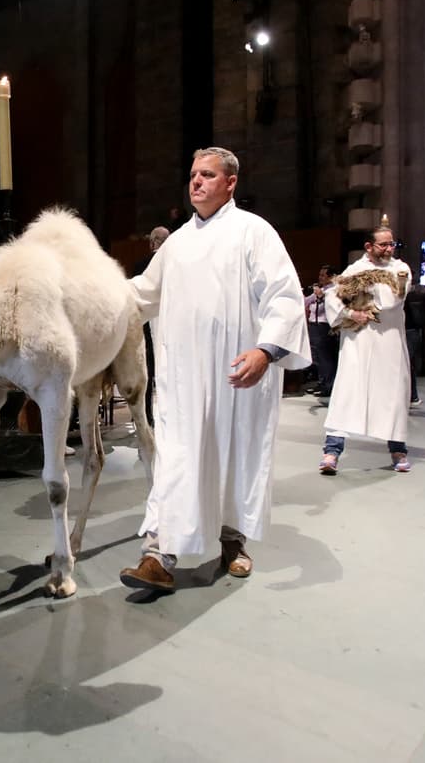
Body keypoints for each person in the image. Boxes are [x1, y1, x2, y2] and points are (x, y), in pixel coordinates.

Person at [119, 148, 310, 594]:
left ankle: (232, 541)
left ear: (231, 183)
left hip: (236, 375)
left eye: (207, 175)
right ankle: (158, 553)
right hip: (183, 381)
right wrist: (90, 293)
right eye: (192, 175)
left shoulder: (253, 232)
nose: (196, 182)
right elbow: (142, 295)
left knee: (234, 456)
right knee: (177, 458)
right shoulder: (177, 245)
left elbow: (283, 294)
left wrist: (265, 350)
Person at [318, 223, 414, 475]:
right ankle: (331, 452)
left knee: (393, 395)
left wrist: (365, 288)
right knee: (347, 393)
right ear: (369, 247)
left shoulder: (400, 269)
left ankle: (398, 450)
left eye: (392, 243)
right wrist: (351, 312)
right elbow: (332, 296)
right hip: (358, 343)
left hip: (389, 343)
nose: (389, 249)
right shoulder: (356, 269)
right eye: (383, 244)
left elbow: (392, 300)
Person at [131, 226, 171, 427]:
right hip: (171, 327)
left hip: (144, 329)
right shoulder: (175, 265)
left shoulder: (140, 265)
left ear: (152, 242)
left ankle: (145, 417)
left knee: (146, 373)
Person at [304, 265, 339, 402]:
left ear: (331, 277)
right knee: (317, 356)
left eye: (323, 275)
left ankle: (329, 385)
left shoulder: (333, 290)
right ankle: (321, 382)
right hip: (314, 324)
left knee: (326, 357)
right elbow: (306, 301)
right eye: (320, 275)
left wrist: (321, 297)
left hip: (324, 325)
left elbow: (329, 307)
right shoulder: (321, 289)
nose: (320, 278)